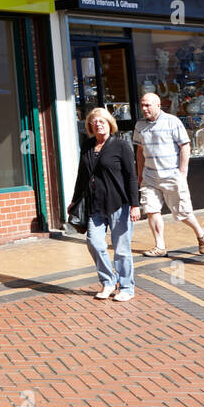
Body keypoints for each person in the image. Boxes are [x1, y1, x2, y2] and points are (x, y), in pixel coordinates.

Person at [68, 107, 141, 301]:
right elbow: (82, 176)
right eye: (94, 122)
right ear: (90, 126)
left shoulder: (121, 145)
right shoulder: (87, 146)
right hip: (94, 205)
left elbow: (131, 177)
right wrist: (75, 200)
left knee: (122, 249)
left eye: (102, 121)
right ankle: (108, 282)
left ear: (109, 123)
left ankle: (126, 288)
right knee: (94, 242)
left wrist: (135, 204)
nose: (98, 124)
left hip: (119, 204)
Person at [133, 92, 204, 257]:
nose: (144, 108)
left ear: (158, 105)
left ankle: (201, 233)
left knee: (183, 213)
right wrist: (140, 174)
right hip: (150, 177)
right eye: (142, 105)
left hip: (172, 176)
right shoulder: (139, 125)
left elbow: (185, 146)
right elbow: (139, 151)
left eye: (148, 105)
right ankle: (160, 246)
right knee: (151, 210)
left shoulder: (172, 121)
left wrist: (182, 173)